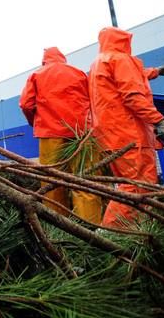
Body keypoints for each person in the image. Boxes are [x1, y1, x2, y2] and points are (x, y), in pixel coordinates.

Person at [88, 27, 164, 228]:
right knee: (136, 188)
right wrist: (160, 122)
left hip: (112, 135)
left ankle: (134, 234)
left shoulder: (99, 63)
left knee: (131, 186)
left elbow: (126, 78)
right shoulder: (120, 59)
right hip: (129, 134)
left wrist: (155, 72)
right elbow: (133, 95)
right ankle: (113, 236)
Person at [19, 47, 102, 225]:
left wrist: (35, 122)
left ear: (44, 60)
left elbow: (26, 104)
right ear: (63, 59)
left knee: (53, 183)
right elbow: (94, 100)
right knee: (86, 180)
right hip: (81, 135)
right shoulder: (78, 73)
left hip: (50, 134)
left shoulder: (37, 75)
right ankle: (91, 229)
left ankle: (59, 228)